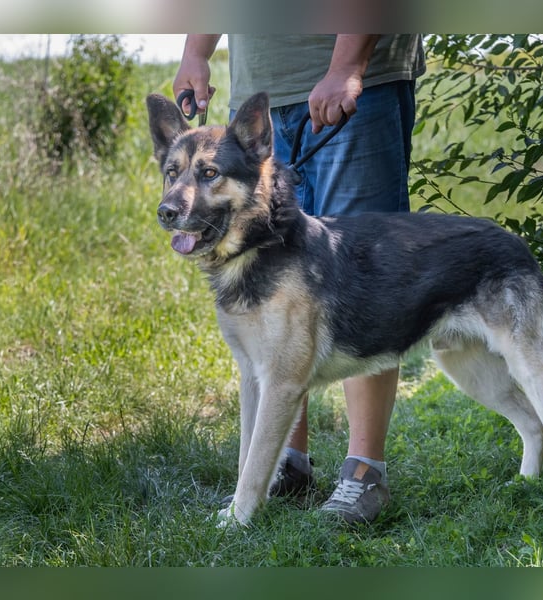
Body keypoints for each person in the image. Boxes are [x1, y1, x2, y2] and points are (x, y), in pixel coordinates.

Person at [173, 34, 425, 524]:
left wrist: (348, 64)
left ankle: (363, 472)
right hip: (265, 94)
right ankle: (287, 464)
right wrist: (196, 51)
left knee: (362, 281)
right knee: (280, 299)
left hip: (352, 83)